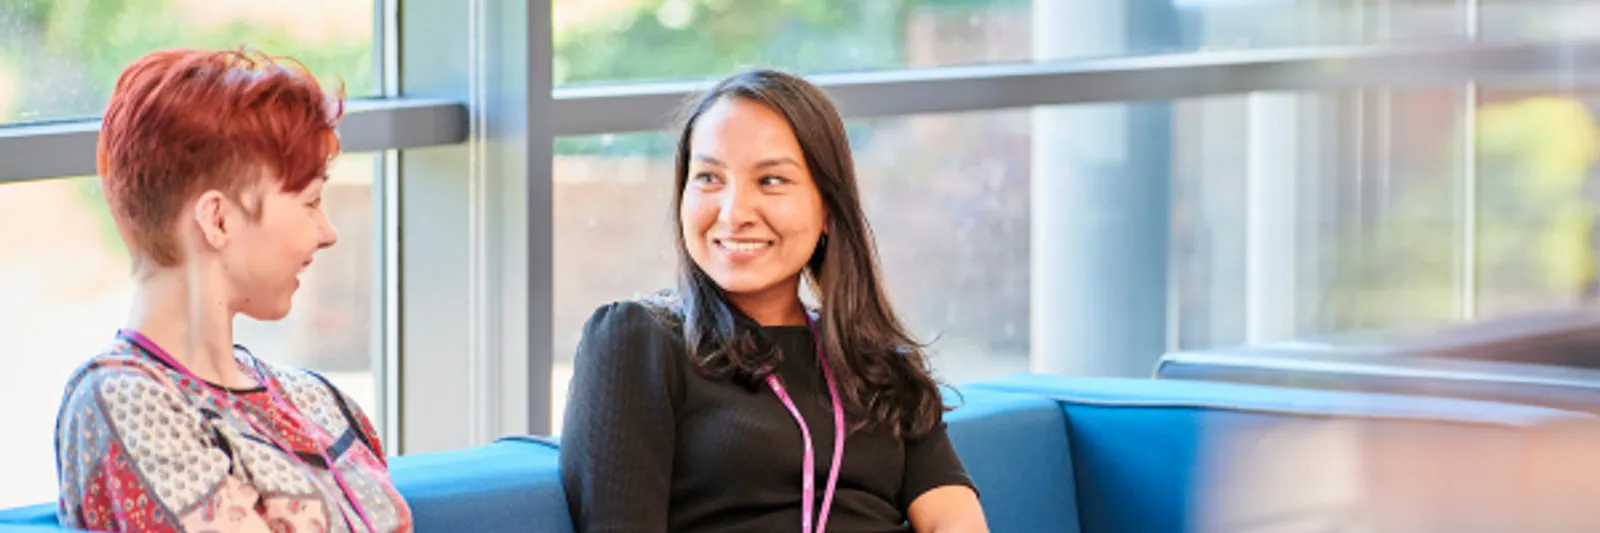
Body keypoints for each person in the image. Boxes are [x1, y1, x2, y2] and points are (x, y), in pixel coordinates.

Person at [560, 69, 990, 533]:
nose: (734, 213)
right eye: (708, 177)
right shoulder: (637, 342)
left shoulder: (879, 365)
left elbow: (955, 521)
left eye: (770, 181)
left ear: (827, 206)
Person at [53, 48, 413, 533]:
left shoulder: (318, 400)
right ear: (218, 219)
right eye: (310, 202)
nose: (327, 232)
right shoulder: (124, 401)